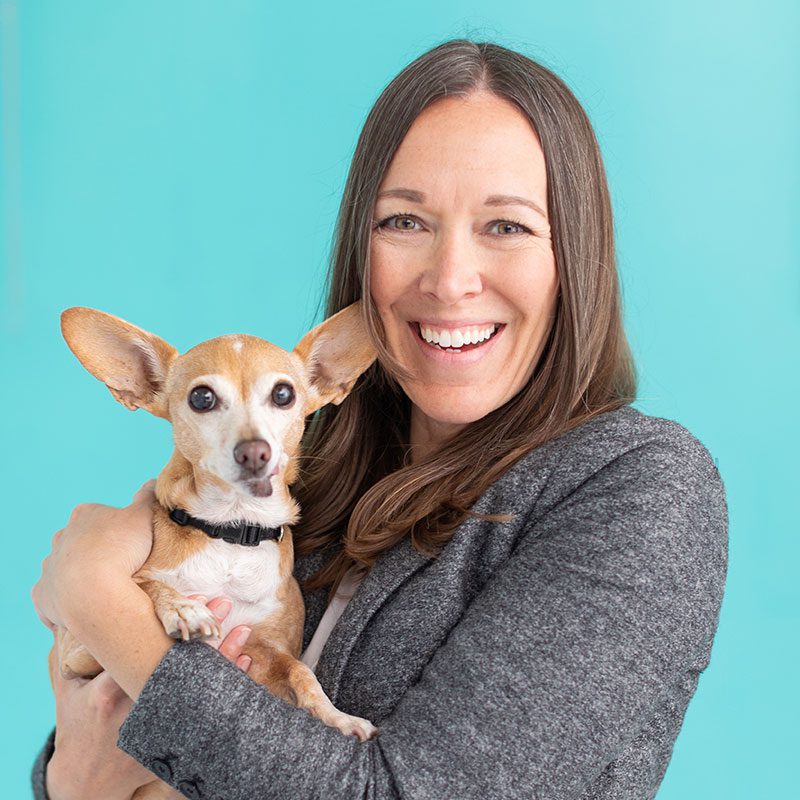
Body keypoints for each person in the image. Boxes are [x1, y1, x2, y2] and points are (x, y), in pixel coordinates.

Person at [31, 38, 728, 800]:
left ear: (575, 259)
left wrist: (98, 596)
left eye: (506, 226)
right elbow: (103, 747)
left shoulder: (639, 486)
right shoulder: (303, 467)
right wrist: (66, 779)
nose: (451, 280)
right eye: (405, 222)